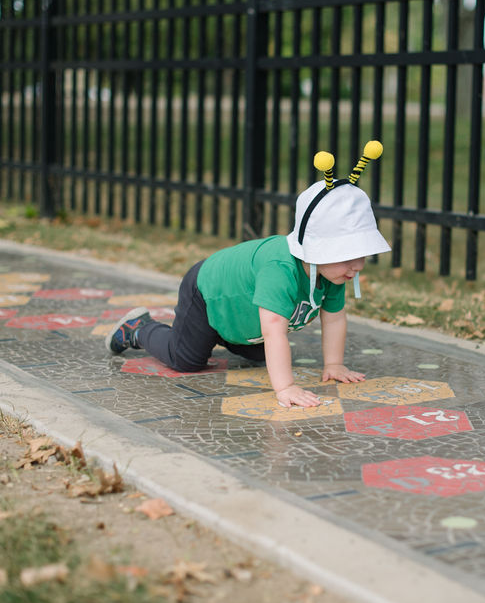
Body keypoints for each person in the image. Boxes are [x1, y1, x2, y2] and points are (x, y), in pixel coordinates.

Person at [106, 142, 390, 408]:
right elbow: (274, 329)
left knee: (258, 354)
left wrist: (334, 364)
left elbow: (335, 317)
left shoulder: (334, 272)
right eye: (347, 257)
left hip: (242, 313)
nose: (356, 268)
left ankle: (223, 334)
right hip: (208, 293)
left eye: (361, 256)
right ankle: (139, 329)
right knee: (187, 360)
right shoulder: (280, 270)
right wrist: (285, 387)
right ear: (317, 249)